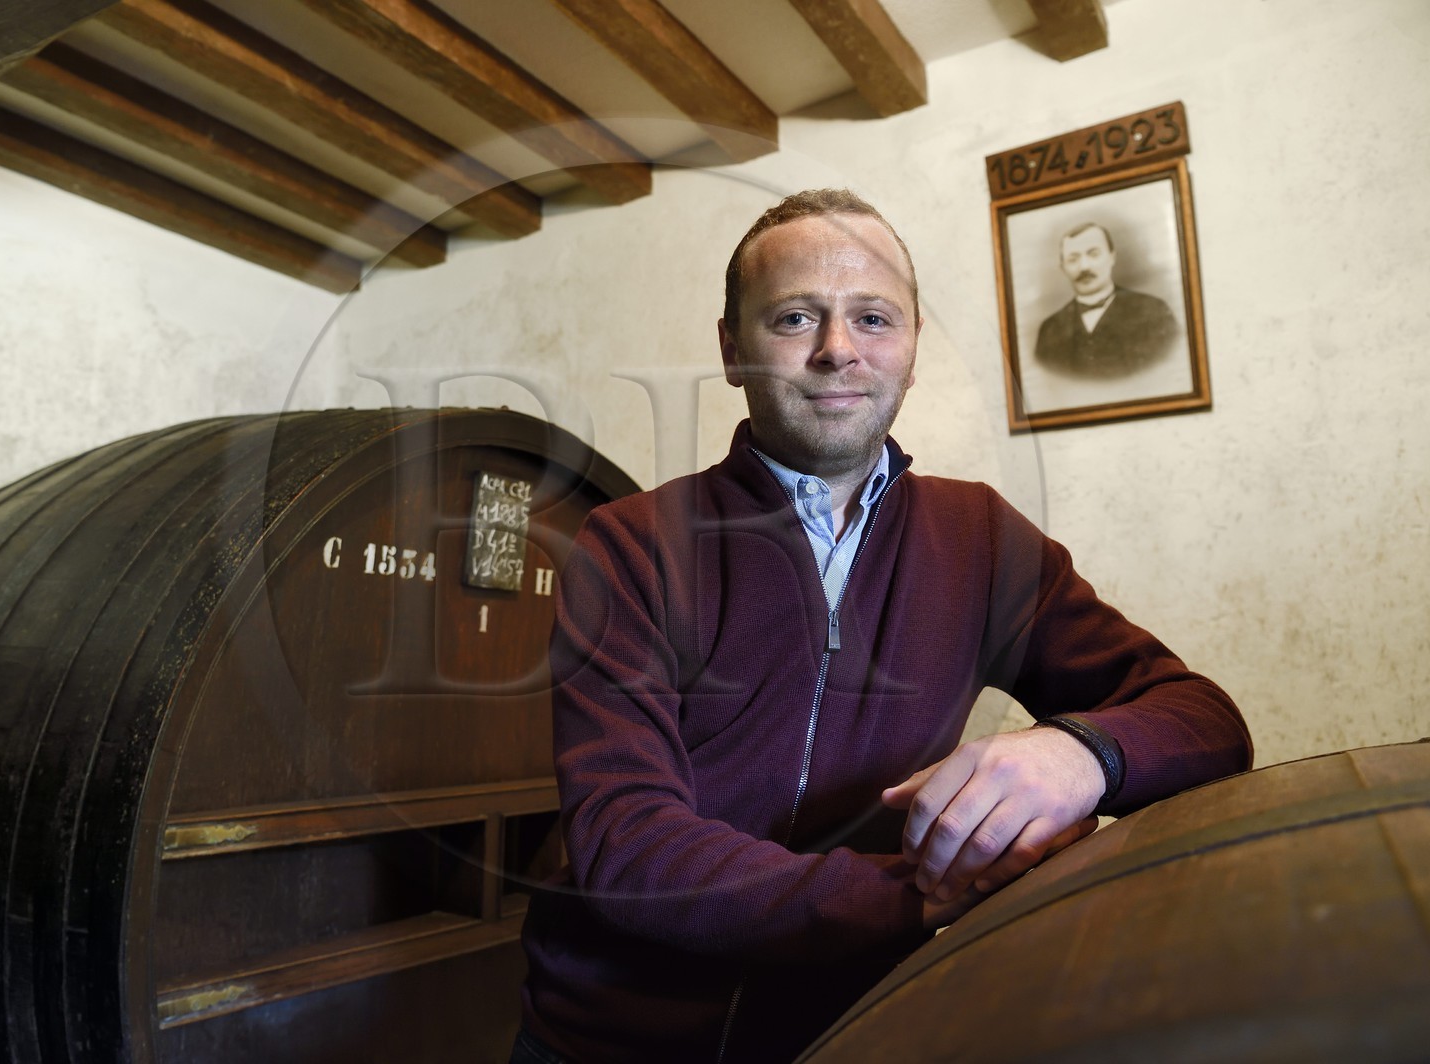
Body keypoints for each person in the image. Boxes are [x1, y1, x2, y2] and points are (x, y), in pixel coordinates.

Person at [514, 190, 1249, 1064]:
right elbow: (626, 843)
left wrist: (1079, 752)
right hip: (608, 1043)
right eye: (794, 318)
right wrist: (913, 898)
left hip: (853, 1035)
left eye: (873, 317)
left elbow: (1205, 720)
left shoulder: (983, 538)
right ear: (731, 351)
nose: (838, 350)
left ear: (911, 351)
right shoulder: (630, 543)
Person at [1034, 222, 1180, 378]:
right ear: (1063, 268)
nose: (1084, 267)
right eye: (1073, 259)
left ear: (1112, 257)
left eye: (1093, 254)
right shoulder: (1050, 330)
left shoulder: (1154, 312)